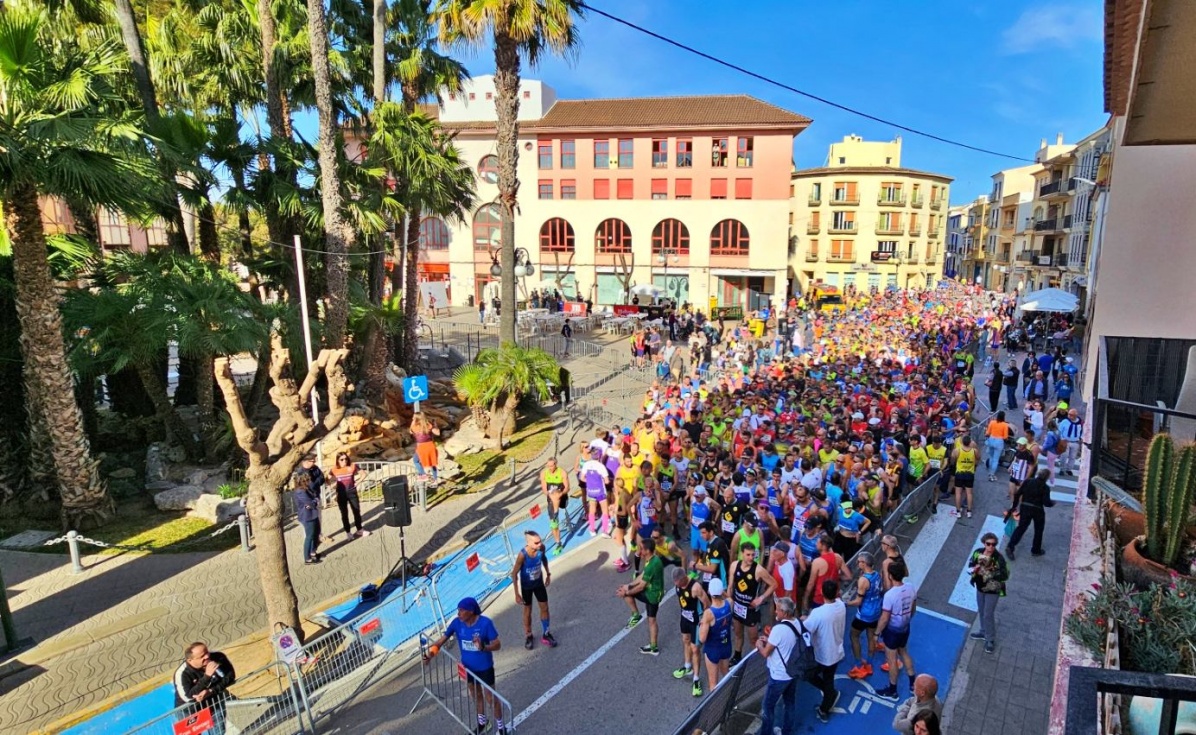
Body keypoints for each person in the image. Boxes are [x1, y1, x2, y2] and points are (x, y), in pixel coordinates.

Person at [423, 597, 505, 735]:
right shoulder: (457, 624)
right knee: (476, 695)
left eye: (461, 610)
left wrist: (484, 647)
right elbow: (441, 641)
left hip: (485, 668)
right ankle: (483, 724)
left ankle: (502, 728)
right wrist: (430, 654)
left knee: (491, 699)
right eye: (458, 610)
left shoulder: (485, 623)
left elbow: (497, 644)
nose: (458, 613)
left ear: (471, 611)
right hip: (468, 669)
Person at [755, 596, 803, 735]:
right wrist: (770, 640)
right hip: (793, 672)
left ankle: (766, 733)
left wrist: (759, 645)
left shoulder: (778, 629)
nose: (775, 612)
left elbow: (765, 653)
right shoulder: (797, 623)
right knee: (789, 702)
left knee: (768, 706)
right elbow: (784, 643)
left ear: (786, 613)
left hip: (779, 676)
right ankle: (787, 731)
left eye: (778, 610)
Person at [804, 579, 846, 723]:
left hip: (823, 654)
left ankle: (826, 705)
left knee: (809, 675)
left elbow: (806, 628)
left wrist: (803, 619)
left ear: (822, 592)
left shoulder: (818, 613)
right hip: (837, 650)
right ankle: (829, 696)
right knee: (828, 678)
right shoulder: (841, 605)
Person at [729, 542, 777, 664]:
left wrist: (761, 598)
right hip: (738, 607)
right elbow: (730, 586)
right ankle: (737, 656)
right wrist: (730, 599)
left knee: (753, 638)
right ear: (742, 554)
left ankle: (759, 662)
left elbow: (774, 584)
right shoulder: (734, 566)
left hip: (750, 610)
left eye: (753, 555)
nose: (751, 557)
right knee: (738, 634)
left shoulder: (758, 570)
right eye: (748, 555)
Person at [876, 561, 917, 701]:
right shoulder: (911, 588)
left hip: (892, 631)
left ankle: (892, 691)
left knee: (892, 659)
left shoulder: (890, 595)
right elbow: (913, 609)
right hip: (905, 627)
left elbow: (884, 618)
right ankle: (913, 684)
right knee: (904, 652)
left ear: (890, 576)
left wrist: (876, 633)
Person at [511, 531, 557, 650]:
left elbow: (544, 559)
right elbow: (514, 573)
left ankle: (546, 633)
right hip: (527, 587)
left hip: (539, 584)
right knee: (528, 610)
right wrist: (517, 594)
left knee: (545, 608)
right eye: (536, 543)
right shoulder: (522, 555)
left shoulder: (541, 549)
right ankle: (529, 635)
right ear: (528, 543)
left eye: (540, 541)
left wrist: (548, 573)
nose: (539, 544)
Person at [617, 538, 664, 655]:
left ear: (647, 550)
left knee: (626, 592)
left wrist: (627, 592)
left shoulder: (652, 565)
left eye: (641, 549)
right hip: (654, 593)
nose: (639, 551)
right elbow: (642, 575)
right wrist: (629, 585)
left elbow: (641, 586)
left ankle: (636, 615)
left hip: (652, 595)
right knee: (651, 620)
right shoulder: (652, 560)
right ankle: (654, 647)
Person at [968, 532, 1009, 654]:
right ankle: (983, 631)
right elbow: (971, 563)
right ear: (984, 543)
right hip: (980, 587)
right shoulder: (978, 552)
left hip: (993, 589)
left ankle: (990, 638)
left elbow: (1005, 574)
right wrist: (973, 569)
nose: (991, 547)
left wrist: (990, 572)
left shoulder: (999, 558)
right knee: (981, 610)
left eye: (994, 544)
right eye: (988, 544)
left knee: (988, 614)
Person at [174, 641, 236, 721]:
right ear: (190, 660)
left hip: (213, 704)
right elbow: (188, 696)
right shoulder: (182, 673)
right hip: (189, 711)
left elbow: (230, 676)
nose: (207, 656)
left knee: (219, 731)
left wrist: (211, 691)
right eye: (202, 656)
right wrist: (207, 676)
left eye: (207, 652)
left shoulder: (218, 657)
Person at [847, 551, 883, 679]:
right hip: (876, 612)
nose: (857, 563)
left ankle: (858, 665)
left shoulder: (863, 580)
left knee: (854, 635)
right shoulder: (877, 575)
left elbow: (858, 601)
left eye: (859, 561)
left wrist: (845, 603)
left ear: (864, 563)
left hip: (864, 614)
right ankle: (869, 664)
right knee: (871, 637)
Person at [672, 568, 707, 697]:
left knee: (695, 649)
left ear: (684, 578)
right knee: (685, 641)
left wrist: (704, 620)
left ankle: (696, 679)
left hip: (696, 621)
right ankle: (687, 667)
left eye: (678, 583)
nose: (677, 585)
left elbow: (706, 603)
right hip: (685, 618)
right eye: (675, 583)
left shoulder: (695, 587)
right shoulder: (678, 585)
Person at [1006, 468, 1053, 560]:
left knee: (1021, 528)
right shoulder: (1045, 487)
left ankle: (1010, 546)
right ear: (1046, 478)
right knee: (1039, 529)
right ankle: (1036, 550)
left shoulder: (1028, 481)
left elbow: (1018, 494)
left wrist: (1014, 506)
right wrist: (1052, 503)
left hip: (1025, 508)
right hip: (1038, 510)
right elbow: (1046, 503)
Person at [698, 578, 734, 691]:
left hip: (713, 649)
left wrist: (701, 625)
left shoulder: (708, 614)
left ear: (709, 592)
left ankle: (716, 708)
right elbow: (728, 597)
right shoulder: (729, 603)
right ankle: (732, 699)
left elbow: (702, 638)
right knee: (726, 674)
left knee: (713, 683)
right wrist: (721, 591)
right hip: (726, 646)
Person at [804, 533, 850, 613]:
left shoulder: (817, 562)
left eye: (818, 543)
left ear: (823, 546)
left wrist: (805, 598)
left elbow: (811, 583)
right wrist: (837, 577)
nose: (816, 544)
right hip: (835, 596)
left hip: (820, 598)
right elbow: (849, 576)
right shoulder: (838, 557)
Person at [330, 452, 368, 539]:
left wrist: (358, 482)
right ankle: (348, 532)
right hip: (341, 494)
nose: (344, 461)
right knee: (344, 514)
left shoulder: (352, 466)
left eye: (346, 459)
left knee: (356, 511)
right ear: (338, 460)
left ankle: (360, 530)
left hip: (352, 492)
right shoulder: (334, 469)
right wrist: (332, 485)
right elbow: (327, 479)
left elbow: (364, 474)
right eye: (342, 459)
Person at [540, 458, 571, 555]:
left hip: (562, 499)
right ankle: (558, 543)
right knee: (553, 525)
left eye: (552, 466)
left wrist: (560, 493)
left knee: (556, 494)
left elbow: (567, 488)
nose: (550, 468)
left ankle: (556, 513)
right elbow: (544, 490)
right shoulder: (544, 473)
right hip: (551, 499)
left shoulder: (562, 472)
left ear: (556, 464)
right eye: (548, 466)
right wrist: (550, 494)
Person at [293, 470, 323, 564]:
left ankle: (313, 552)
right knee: (309, 536)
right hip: (307, 516)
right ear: (303, 480)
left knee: (316, 532)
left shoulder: (306, 488)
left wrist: (314, 500)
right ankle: (307, 558)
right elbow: (310, 503)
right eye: (308, 479)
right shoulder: (300, 491)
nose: (310, 480)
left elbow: (315, 497)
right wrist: (315, 501)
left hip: (313, 513)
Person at [951, 435, 978, 519]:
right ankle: (969, 511)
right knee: (969, 493)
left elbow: (952, 461)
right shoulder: (974, 451)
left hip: (959, 473)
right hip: (970, 473)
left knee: (958, 493)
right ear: (970, 442)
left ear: (962, 442)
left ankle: (958, 511)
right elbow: (978, 459)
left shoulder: (957, 450)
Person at [410, 413, 442, 484]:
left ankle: (423, 475)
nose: (412, 418)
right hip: (430, 446)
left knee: (416, 461)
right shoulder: (429, 425)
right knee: (432, 463)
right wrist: (435, 424)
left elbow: (410, 431)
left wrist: (413, 421)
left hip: (422, 447)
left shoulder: (415, 427)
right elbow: (438, 433)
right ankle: (435, 479)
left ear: (416, 419)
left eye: (413, 418)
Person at [984, 411, 1012, 482]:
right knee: (996, 459)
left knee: (991, 457)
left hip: (991, 440)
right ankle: (991, 474)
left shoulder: (992, 422)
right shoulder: (1004, 425)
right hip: (999, 442)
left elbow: (987, 433)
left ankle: (989, 470)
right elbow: (1005, 437)